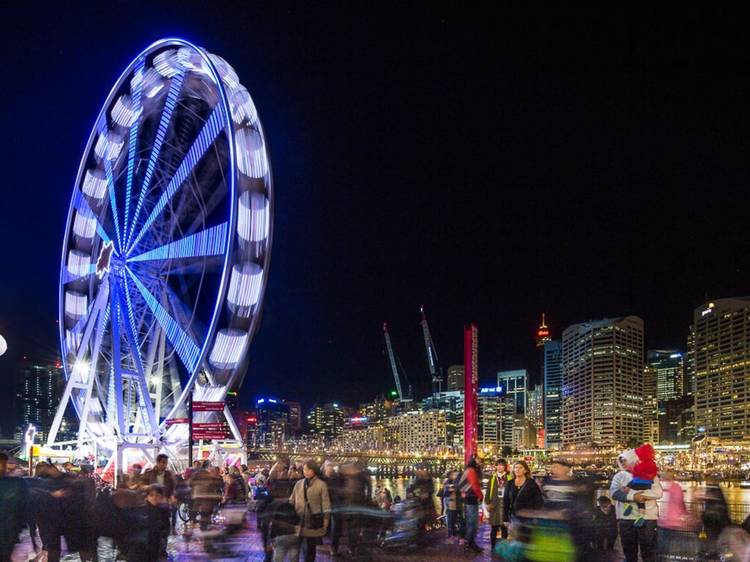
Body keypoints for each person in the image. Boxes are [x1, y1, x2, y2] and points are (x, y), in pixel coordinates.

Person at [610, 448, 662, 562]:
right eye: (621, 461)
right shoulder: (619, 476)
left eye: (625, 460)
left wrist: (639, 495)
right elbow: (614, 493)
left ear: (633, 459)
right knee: (629, 552)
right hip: (626, 519)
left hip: (647, 518)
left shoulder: (650, 475)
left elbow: (658, 493)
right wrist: (633, 497)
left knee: (648, 553)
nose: (623, 463)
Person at [290, 459, 331, 562]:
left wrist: (325, 522)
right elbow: (292, 500)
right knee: (295, 547)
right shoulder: (299, 484)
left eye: (308, 469)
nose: (306, 472)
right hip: (298, 520)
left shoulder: (321, 485)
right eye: (304, 469)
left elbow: (326, 504)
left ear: (314, 470)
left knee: (310, 549)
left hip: (312, 521)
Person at [0, 451, 28, 562]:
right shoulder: (18, 483)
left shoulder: (17, 483)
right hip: (9, 532)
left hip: (9, 531)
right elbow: (25, 508)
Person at [503, 460, 543, 526]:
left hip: (529, 518)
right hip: (514, 517)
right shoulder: (509, 483)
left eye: (520, 468)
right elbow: (506, 502)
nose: (517, 470)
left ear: (525, 470)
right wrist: (505, 518)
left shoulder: (531, 483)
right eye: (516, 467)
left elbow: (538, 500)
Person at [459, 456, 484, 553]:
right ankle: (468, 543)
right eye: (478, 459)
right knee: (473, 524)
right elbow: (474, 485)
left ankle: (470, 543)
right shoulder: (472, 470)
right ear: (473, 460)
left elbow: (462, 484)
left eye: (480, 460)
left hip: (468, 498)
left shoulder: (468, 470)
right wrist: (480, 495)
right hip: (471, 499)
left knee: (470, 522)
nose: (479, 461)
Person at [485, 458, 510, 549]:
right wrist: (487, 503)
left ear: (505, 467)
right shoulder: (492, 478)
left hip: (505, 506)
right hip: (494, 505)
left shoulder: (509, 478)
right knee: (494, 528)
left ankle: (503, 546)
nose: (499, 467)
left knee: (504, 528)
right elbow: (488, 491)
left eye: (501, 465)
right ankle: (493, 547)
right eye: (498, 465)